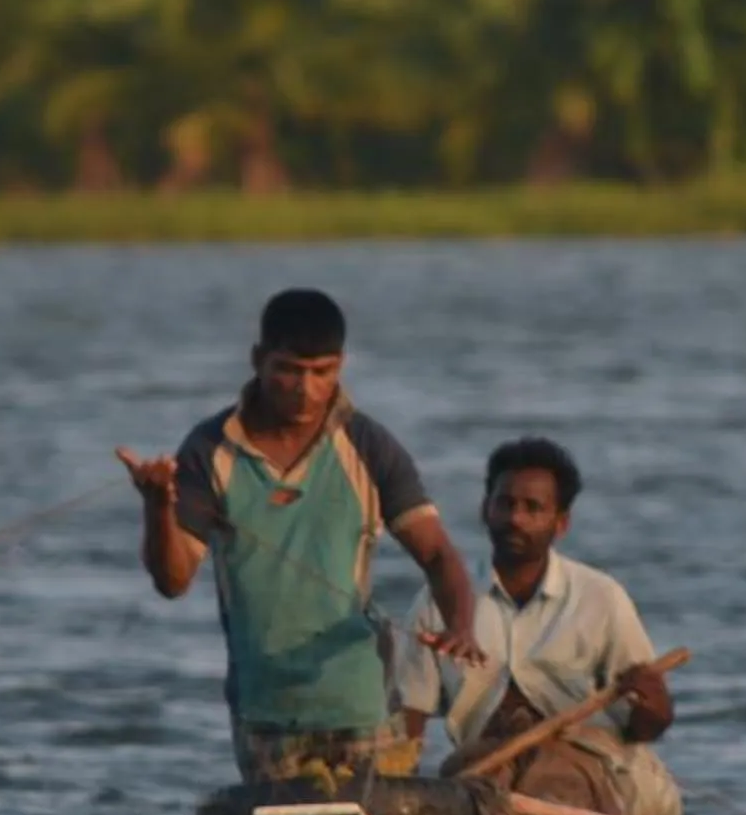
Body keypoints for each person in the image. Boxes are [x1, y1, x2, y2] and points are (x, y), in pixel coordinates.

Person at [116, 288, 483, 788]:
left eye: (323, 372)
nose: (306, 390)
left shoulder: (367, 445)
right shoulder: (210, 451)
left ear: (341, 367)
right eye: (289, 370)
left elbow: (438, 554)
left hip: (364, 705)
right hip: (265, 713)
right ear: (258, 361)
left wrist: (461, 625)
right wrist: (158, 505)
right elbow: (173, 581)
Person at [393, 436, 682, 815]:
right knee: (452, 806)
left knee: (549, 795)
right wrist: (394, 793)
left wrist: (655, 703)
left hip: (581, 764)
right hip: (483, 761)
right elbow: (409, 712)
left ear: (560, 523)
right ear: (485, 509)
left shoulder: (600, 598)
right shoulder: (438, 600)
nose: (516, 518)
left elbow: (645, 727)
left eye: (533, 508)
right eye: (506, 504)